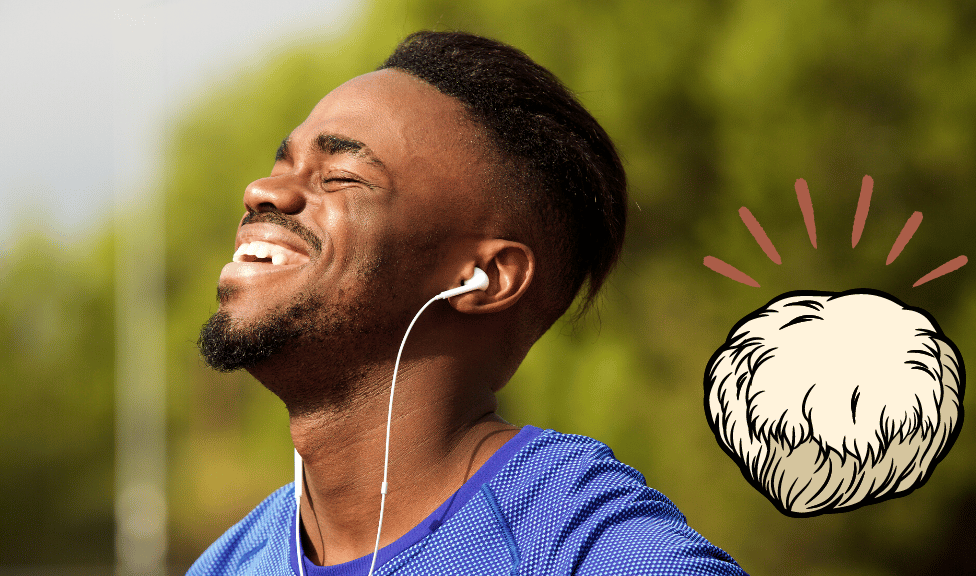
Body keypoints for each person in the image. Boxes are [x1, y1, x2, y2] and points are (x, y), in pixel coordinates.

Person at [188, 30, 747, 575]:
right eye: (284, 164)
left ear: (486, 278)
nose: (263, 191)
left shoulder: (580, 547)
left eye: (341, 175)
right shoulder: (231, 563)